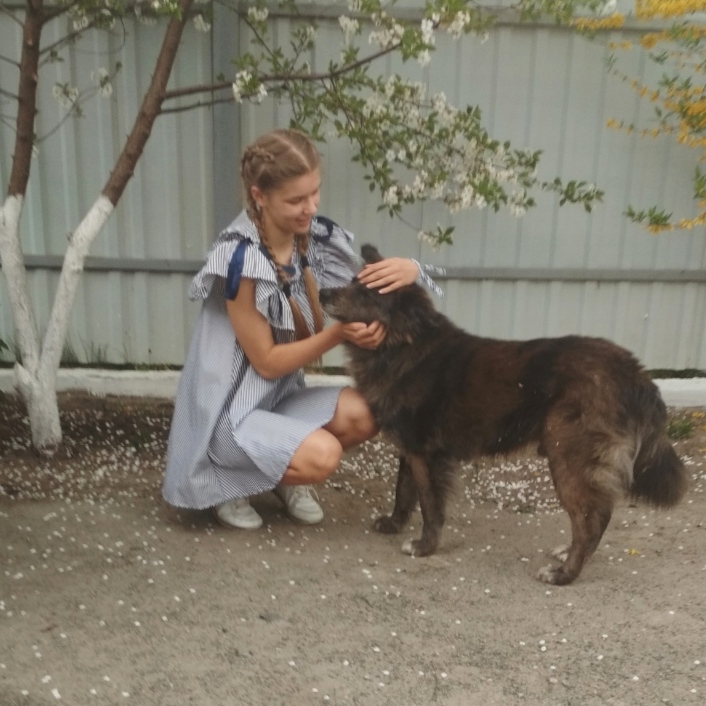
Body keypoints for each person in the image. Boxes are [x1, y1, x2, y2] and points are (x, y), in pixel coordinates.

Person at [162, 128, 441, 530]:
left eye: (315, 193)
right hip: (230, 418)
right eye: (296, 200)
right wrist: (339, 334)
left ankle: (278, 472)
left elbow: (371, 288)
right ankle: (227, 485)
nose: (310, 207)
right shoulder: (240, 261)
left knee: (367, 412)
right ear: (259, 196)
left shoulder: (311, 239)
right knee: (323, 455)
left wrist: (412, 270)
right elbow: (268, 363)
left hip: (278, 402)